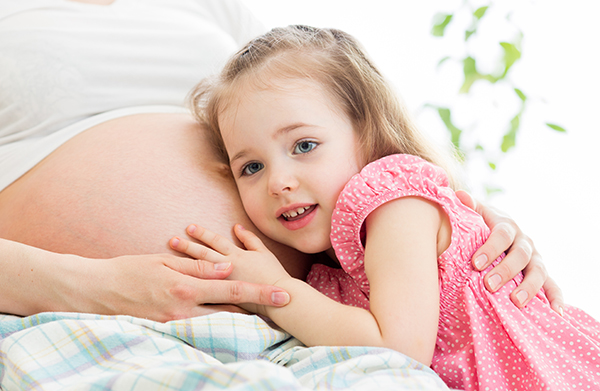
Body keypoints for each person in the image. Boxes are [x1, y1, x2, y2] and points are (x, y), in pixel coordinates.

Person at [0, 1, 560, 322]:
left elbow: (322, 110)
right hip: (80, 313)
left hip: (315, 322)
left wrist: (462, 219)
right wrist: (85, 284)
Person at [171, 25, 600, 391]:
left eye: (304, 146)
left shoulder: (397, 204)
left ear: (367, 132)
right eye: (251, 167)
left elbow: (398, 348)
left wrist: (273, 291)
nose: (277, 181)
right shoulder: (335, 270)